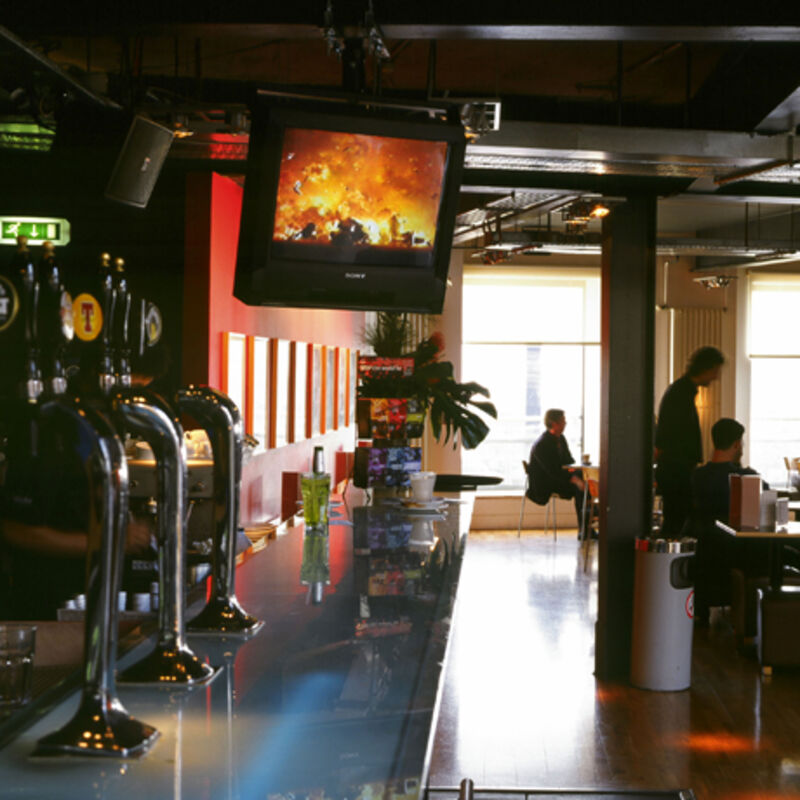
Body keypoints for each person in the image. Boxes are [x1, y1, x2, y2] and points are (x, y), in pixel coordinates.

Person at [687, 417, 771, 625]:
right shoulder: (746, 477)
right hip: (737, 554)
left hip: (705, 556)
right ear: (736, 444)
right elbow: (767, 496)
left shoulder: (697, 476)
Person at [655, 345, 725, 537]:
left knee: (677, 522)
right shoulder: (681, 394)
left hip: (676, 470)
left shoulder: (681, 391)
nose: (716, 377)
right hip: (677, 471)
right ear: (707, 368)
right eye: (715, 371)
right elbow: (669, 436)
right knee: (677, 524)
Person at [527, 408, 586, 536]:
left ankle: (587, 525)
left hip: (557, 477)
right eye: (563, 421)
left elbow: (569, 460)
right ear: (555, 423)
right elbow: (552, 472)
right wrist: (574, 479)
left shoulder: (560, 439)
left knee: (583, 480)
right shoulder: (542, 444)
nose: (565, 423)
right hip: (546, 484)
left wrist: (574, 473)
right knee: (580, 488)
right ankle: (586, 526)